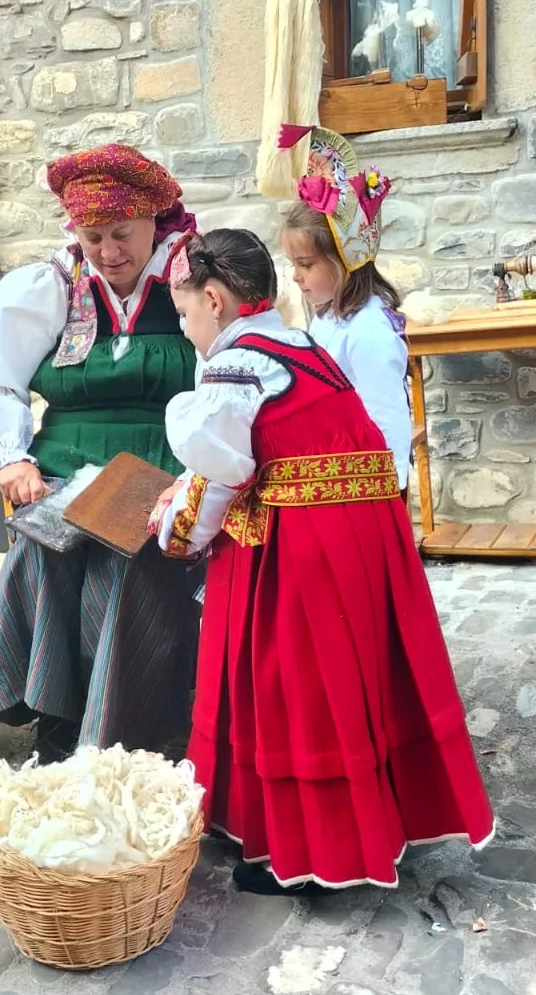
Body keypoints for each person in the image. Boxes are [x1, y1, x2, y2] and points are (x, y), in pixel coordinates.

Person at [154, 228, 494, 894]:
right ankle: (373, 823)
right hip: (364, 537)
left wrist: (175, 530)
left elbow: (221, 474)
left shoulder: (235, 364)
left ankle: (310, 856)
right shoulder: (302, 345)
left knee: (297, 691)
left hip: (301, 547)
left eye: (185, 310)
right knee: (355, 681)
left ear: (216, 300)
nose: (186, 324)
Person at [0, 144, 200, 760]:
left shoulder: (193, 278)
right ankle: (58, 718)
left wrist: (203, 474)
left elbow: (231, 378)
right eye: (93, 237)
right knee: (42, 553)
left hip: (163, 468)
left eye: (123, 233)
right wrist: (11, 458)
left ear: (154, 222)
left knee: (125, 564)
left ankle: (134, 722)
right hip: (62, 466)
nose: (110, 252)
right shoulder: (50, 287)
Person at [278, 125, 410, 487]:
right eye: (294, 265)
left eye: (305, 265)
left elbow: (387, 418)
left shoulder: (368, 331)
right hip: (341, 477)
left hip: (368, 485)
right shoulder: (330, 317)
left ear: (346, 260)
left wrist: (386, 491)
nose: (295, 277)